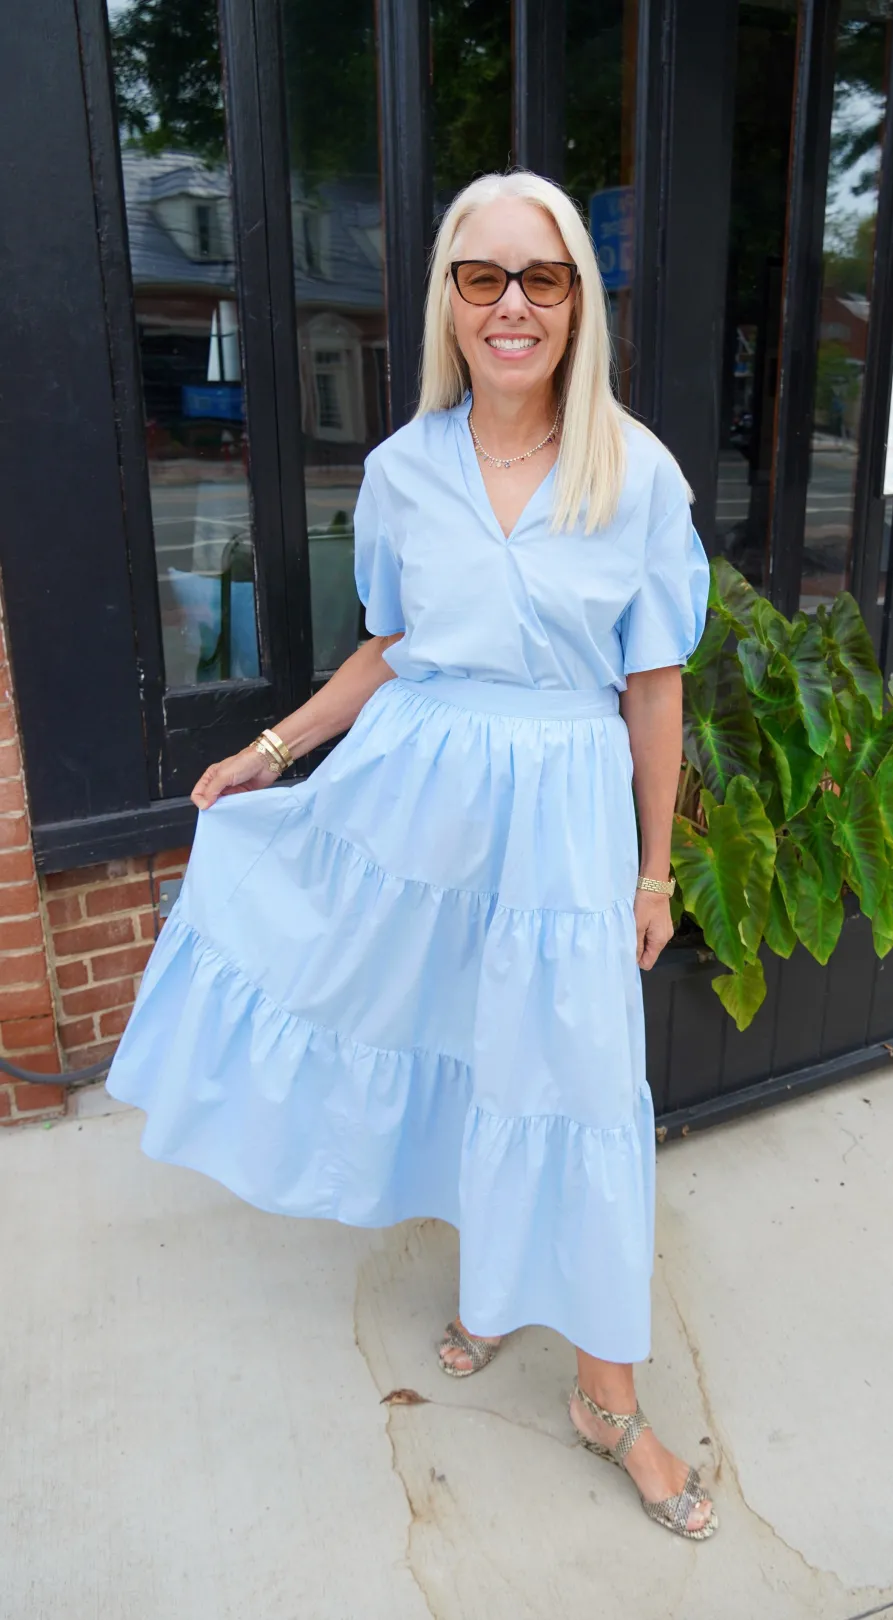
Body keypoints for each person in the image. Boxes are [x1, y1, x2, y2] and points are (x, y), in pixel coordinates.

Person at [106, 170, 715, 1540]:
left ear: (579, 301)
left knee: (578, 1086)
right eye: (482, 276)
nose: (512, 306)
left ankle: (608, 1398)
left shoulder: (638, 473)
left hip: (562, 816)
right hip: (418, 808)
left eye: (542, 277)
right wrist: (270, 752)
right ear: (448, 298)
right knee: (456, 1051)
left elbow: (653, 687)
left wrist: (653, 869)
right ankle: (490, 1293)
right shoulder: (401, 472)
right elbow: (390, 650)